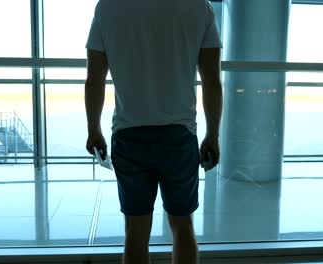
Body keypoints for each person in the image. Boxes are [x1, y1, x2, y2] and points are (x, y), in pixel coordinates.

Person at [84, 0, 222, 263]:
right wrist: (212, 134)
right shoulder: (199, 7)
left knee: (135, 234)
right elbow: (212, 79)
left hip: (129, 136)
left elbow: (95, 78)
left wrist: (94, 130)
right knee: (183, 229)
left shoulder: (107, 7)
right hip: (179, 138)